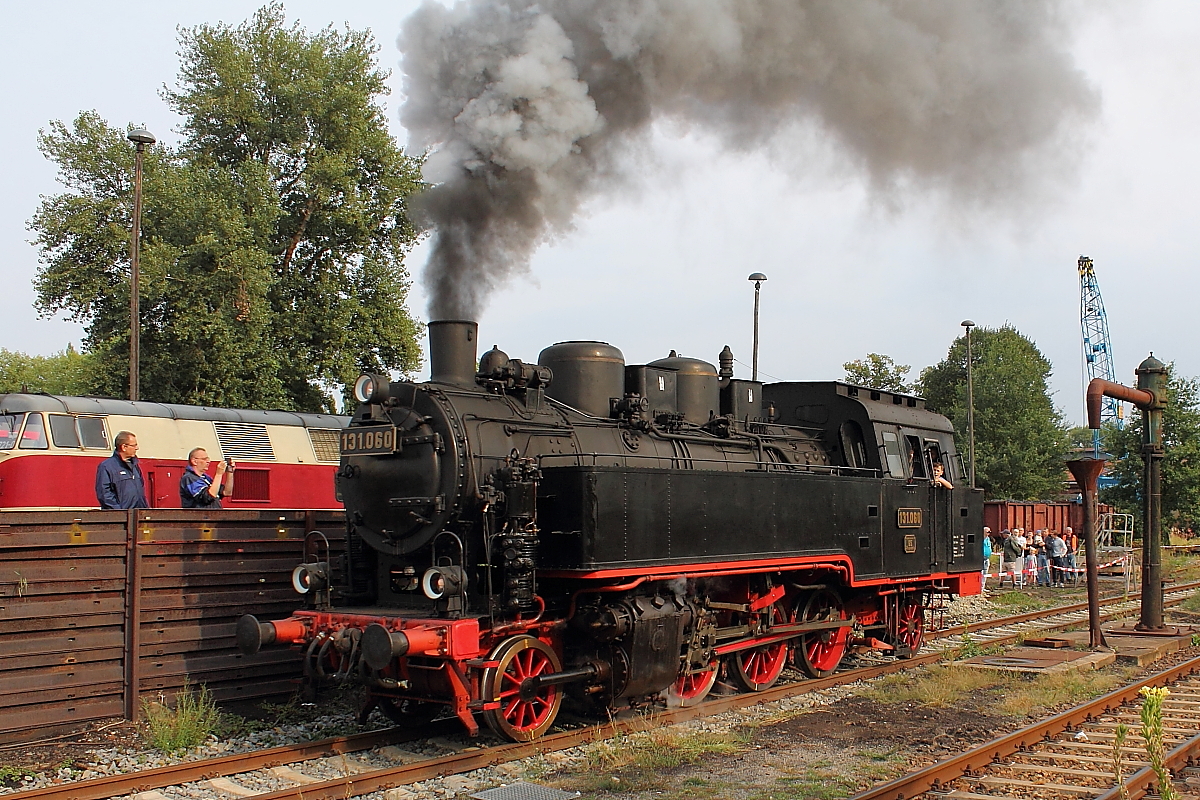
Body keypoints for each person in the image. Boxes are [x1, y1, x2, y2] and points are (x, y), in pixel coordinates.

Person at [95, 431, 149, 510]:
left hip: (138, 516)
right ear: (124, 447)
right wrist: (119, 512)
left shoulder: (135, 466)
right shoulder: (106, 467)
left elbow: (141, 492)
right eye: (134, 445)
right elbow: (105, 494)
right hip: (120, 518)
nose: (137, 448)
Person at [981, 526, 993, 591]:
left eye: (989, 532)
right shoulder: (981, 538)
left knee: (985, 573)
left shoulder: (988, 539)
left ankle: (983, 587)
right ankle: (979, 587)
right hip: (981, 558)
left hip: (987, 558)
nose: (989, 533)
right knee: (981, 573)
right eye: (987, 532)